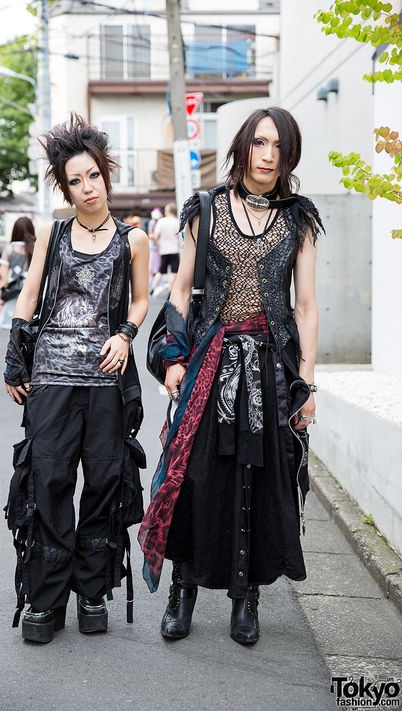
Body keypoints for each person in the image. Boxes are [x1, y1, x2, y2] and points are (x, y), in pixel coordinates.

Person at [138, 107, 323, 646]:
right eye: (260, 143)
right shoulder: (206, 209)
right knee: (194, 477)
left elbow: (306, 307)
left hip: (270, 365)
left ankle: (247, 599)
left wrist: (306, 383)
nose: (268, 155)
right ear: (242, 146)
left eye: (279, 147)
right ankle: (183, 589)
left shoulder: (300, 219)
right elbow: (179, 290)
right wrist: (173, 357)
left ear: (289, 157)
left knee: (258, 478)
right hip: (210, 357)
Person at [3, 113, 149, 644]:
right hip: (52, 380)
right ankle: (46, 599)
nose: (87, 189)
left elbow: (139, 298)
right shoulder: (53, 233)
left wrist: (127, 334)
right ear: (65, 187)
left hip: (107, 383)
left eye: (93, 176)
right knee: (48, 482)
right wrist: (17, 353)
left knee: (105, 484)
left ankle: (91, 591)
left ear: (106, 175)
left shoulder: (133, 241)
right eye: (75, 181)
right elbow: (30, 292)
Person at [0, 216, 36, 330]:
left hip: (14, 293)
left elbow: (3, 278)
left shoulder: (9, 249)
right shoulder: (36, 247)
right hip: (32, 292)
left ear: (15, 231)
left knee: (14, 328)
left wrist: (2, 299)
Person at [151, 202, 180, 296]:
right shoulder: (177, 221)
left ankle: (153, 287)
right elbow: (180, 237)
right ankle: (170, 291)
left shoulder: (161, 221)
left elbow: (154, 236)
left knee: (161, 270)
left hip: (163, 250)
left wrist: (158, 244)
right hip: (174, 249)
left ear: (167, 211)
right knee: (174, 272)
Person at [147, 207, 162, 293]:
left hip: (155, 247)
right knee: (153, 266)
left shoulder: (154, 222)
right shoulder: (154, 223)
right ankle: (152, 284)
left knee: (154, 266)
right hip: (155, 247)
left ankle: (152, 283)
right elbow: (151, 235)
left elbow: (151, 235)